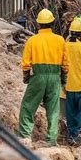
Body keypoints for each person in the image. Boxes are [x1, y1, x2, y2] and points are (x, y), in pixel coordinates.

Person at [19, 8, 65, 146]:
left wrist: (26, 76)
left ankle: (24, 137)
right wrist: (64, 78)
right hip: (55, 76)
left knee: (28, 106)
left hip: (38, 76)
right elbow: (66, 62)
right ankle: (51, 139)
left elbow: (26, 62)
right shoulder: (60, 40)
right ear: (52, 22)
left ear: (39, 24)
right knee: (53, 109)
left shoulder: (32, 40)